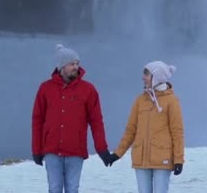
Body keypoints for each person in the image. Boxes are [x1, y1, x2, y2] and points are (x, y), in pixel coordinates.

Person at [31, 44, 112, 193]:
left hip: (75, 150)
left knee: (72, 189)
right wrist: (37, 149)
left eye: (77, 63)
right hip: (52, 151)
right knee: (54, 189)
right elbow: (37, 120)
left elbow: (96, 121)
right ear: (62, 66)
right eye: (72, 64)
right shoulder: (45, 88)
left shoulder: (88, 90)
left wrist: (102, 149)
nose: (76, 67)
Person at [107, 61, 185, 193]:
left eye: (146, 74)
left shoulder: (172, 101)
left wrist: (178, 159)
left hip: (162, 159)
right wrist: (117, 154)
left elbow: (177, 132)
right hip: (141, 159)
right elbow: (130, 130)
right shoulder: (140, 100)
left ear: (157, 77)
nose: (143, 77)